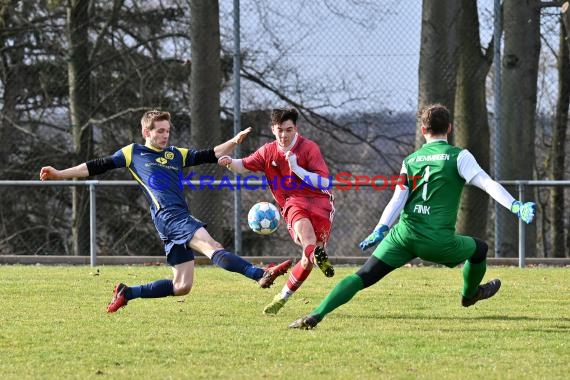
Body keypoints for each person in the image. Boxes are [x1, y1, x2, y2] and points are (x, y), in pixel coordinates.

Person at [289, 103, 537, 329]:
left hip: (403, 236)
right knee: (480, 250)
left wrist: (381, 228)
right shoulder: (459, 156)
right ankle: (470, 295)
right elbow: (488, 184)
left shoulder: (411, 160)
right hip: (437, 242)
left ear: (423, 129)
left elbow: (398, 199)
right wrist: (516, 206)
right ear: (449, 128)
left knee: (362, 276)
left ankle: (315, 315)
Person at [39, 110, 292, 313]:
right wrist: (60, 174)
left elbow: (208, 155)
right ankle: (260, 274)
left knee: (182, 286)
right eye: (160, 131)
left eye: (167, 131)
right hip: (170, 217)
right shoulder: (133, 153)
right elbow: (95, 166)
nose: (165, 135)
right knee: (212, 245)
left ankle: (128, 292)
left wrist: (233, 142)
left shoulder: (174, 154)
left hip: (173, 219)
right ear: (145, 131)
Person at [218, 107, 335, 315]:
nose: (284, 135)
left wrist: (297, 168)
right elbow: (243, 165)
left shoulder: (309, 148)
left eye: (289, 130)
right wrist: (229, 163)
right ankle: (283, 297)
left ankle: (288, 290)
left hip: (320, 201)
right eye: (280, 130)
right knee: (308, 243)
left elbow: (324, 182)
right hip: (294, 203)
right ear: (273, 129)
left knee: (307, 259)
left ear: (295, 129)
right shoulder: (268, 151)